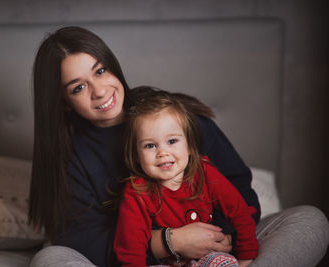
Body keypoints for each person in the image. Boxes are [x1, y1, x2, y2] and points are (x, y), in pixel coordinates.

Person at [28, 26, 329, 267]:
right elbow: (84, 240)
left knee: (309, 220)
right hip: (136, 259)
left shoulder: (174, 117)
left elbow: (240, 191)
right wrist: (172, 242)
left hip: (219, 244)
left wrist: (210, 242)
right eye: (78, 87)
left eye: (101, 70)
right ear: (63, 103)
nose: (100, 90)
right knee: (50, 259)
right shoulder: (70, 158)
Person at [113, 89, 258, 267]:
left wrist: (246, 256)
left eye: (172, 141)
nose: (163, 153)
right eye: (150, 145)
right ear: (136, 155)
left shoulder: (205, 172)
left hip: (211, 256)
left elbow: (239, 212)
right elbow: (130, 246)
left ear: (190, 145)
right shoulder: (137, 191)